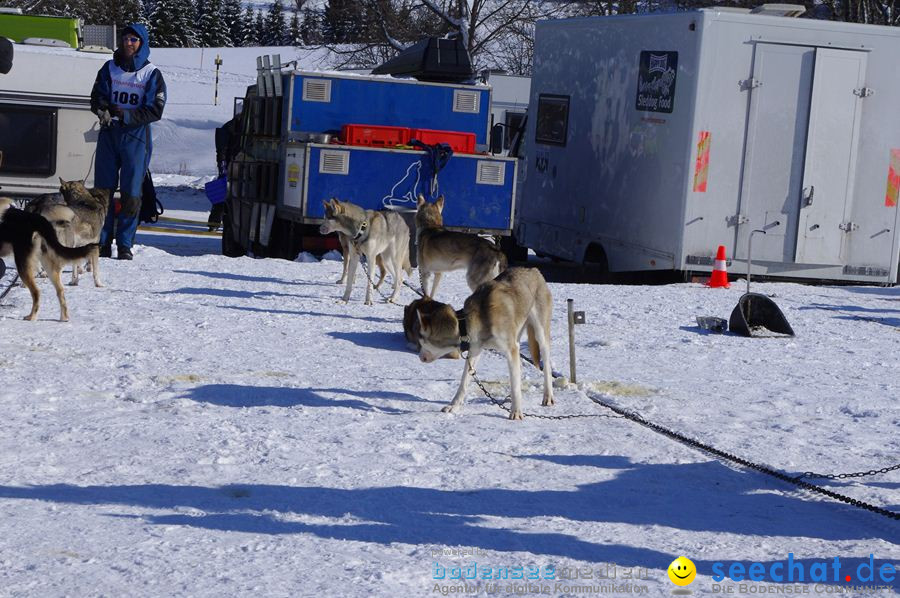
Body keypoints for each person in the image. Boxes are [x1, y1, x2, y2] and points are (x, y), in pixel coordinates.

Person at [90, 23, 166, 260]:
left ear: (142, 43)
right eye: (126, 39)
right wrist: (102, 108)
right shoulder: (109, 68)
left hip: (135, 137)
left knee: (132, 193)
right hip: (109, 134)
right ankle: (102, 242)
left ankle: (125, 244)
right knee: (103, 191)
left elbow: (156, 109)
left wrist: (127, 115)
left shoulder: (151, 73)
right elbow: (97, 96)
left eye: (134, 40)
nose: (128, 43)